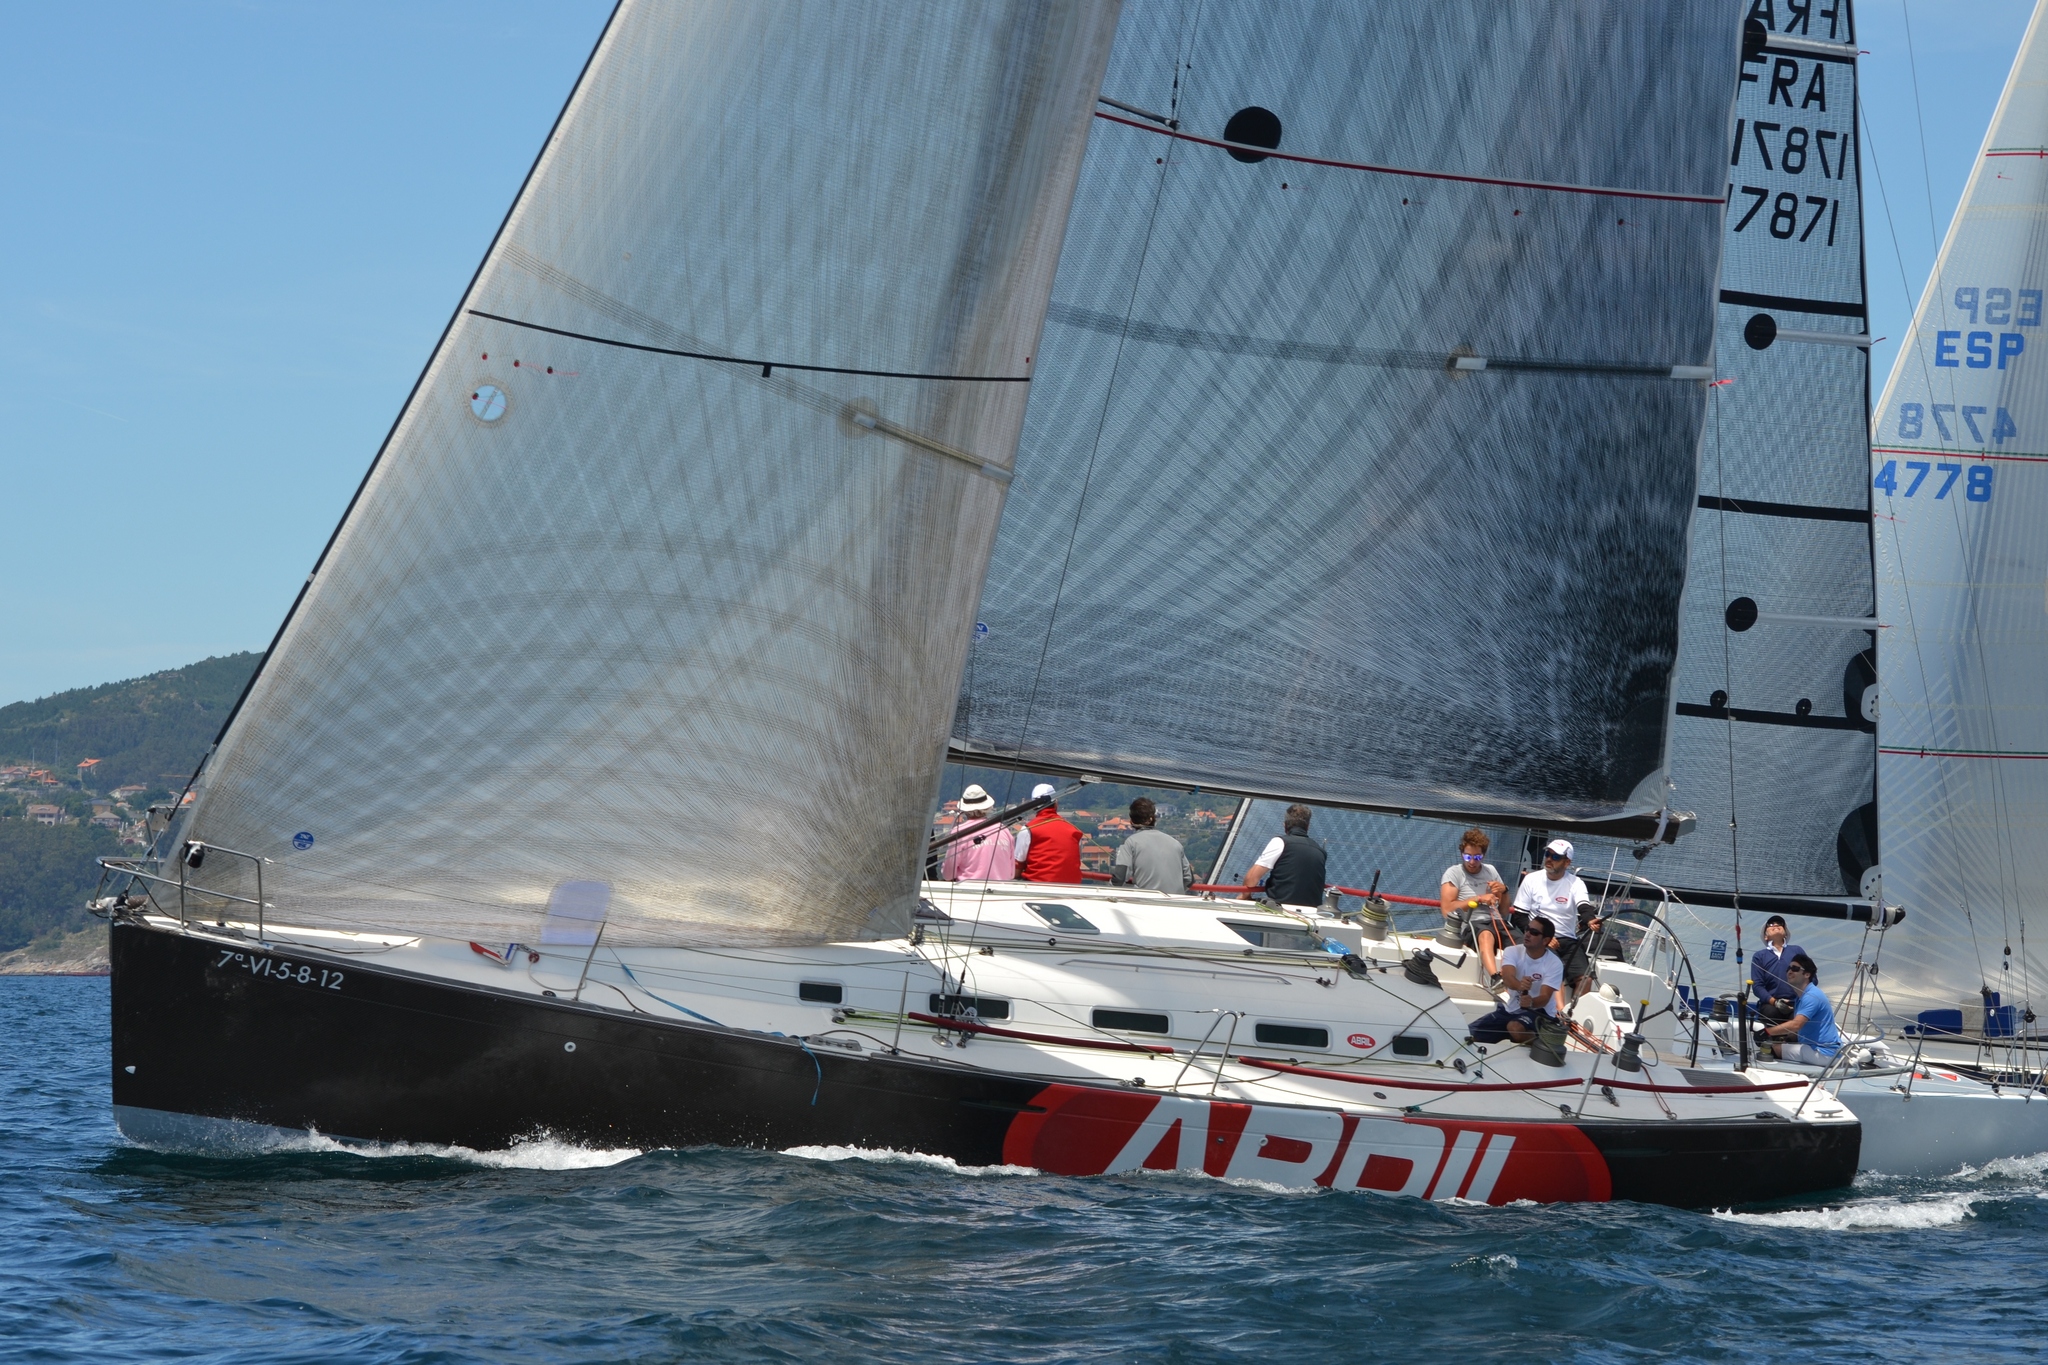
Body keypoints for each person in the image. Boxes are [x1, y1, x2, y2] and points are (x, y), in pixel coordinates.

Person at [1512, 838, 1597, 1003]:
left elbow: (1584, 906)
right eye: (1547, 854)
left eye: (1555, 857)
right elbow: (1519, 916)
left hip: (1568, 939)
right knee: (1555, 971)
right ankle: (1558, 1014)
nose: (1549, 859)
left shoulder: (1576, 883)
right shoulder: (1531, 879)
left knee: (1585, 979)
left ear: (1567, 862)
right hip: (1540, 937)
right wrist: (1541, 937)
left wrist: (1591, 920)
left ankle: (1573, 1014)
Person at [1469, 916, 1564, 1045]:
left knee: (1515, 1027)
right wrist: (1520, 985)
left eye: (1534, 932)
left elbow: (1545, 997)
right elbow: (1508, 978)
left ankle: (1541, 1043)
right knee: (1468, 1034)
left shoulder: (1554, 963)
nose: (1527, 934)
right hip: (1511, 1009)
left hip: (1540, 1013)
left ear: (1545, 940)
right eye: (1527, 929)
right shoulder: (1512, 951)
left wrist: (1531, 1002)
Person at [1440, 827, 1509, 976]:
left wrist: (1504, 891)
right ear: (1461, 854)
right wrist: (1478, 899)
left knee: (1524, 942)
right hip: (1472, 925)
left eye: (1477, 857)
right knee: (1486, 934)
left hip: (1497, 922)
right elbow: (1446, 910)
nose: (1472, 862)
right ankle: (1495, 977)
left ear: (1483, 855)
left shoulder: (1491, 871)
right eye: (1467, 857)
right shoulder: (1454, 873)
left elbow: (1504, 911)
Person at [1239, 804, 1327, 907]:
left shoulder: (1280, 842)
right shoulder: (1320, 851)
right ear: (1307, 827)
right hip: (1312, 910)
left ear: (1285, 826)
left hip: (1279, 908)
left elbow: (1251, 878)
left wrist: (1245, 896)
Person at [1762, 954, 1842, 1063]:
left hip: (1823, 1053)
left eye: (1795, 968)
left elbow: (1796, 1025)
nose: (1789, 972)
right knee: (1778, 1046)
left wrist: (1766, 1032)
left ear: (1807, 974)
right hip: (1819, 1050)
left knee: (1772, 1050)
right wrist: (1787, 1039)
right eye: (1788, 968)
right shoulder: (1801, 997)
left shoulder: (1811, 996)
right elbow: (1800, 1029)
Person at [1111, 797, 1193, 893]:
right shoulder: (1175, 843)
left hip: (1147, 900)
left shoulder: (1130, 843)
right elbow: (1189, 879)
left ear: (1131, 821)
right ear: (1153, 819)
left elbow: (1119, 878)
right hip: (1175, 900)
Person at [938, 784, 1015, 882]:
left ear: (964, 809)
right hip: (1002, 888)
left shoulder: (959, 832)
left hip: (969, 888)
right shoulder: (1003, 830)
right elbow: (1011, 872)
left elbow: (948, 874)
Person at [1014, 783, 1084, 884]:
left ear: (1033, 806)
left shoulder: (1028, 829)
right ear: (1056, 803)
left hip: (1038, 887)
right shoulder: (1074, 830)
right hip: (1072, 888)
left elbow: (1017, 866)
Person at [1750, 915, 1810, 1015]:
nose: (1776, 925)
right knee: (1771, 1013)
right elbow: (1757, 986)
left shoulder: (1797, 950)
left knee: (1800, 1017)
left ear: (1785, 934)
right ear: (1765, 936)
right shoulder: (1759, 956)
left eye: (1780, 924)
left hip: (1796, 1002)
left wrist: (1800, 998)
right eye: (1771, 924)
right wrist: (1775, 1002)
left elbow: (1812, 977)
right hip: (1771, 1004)